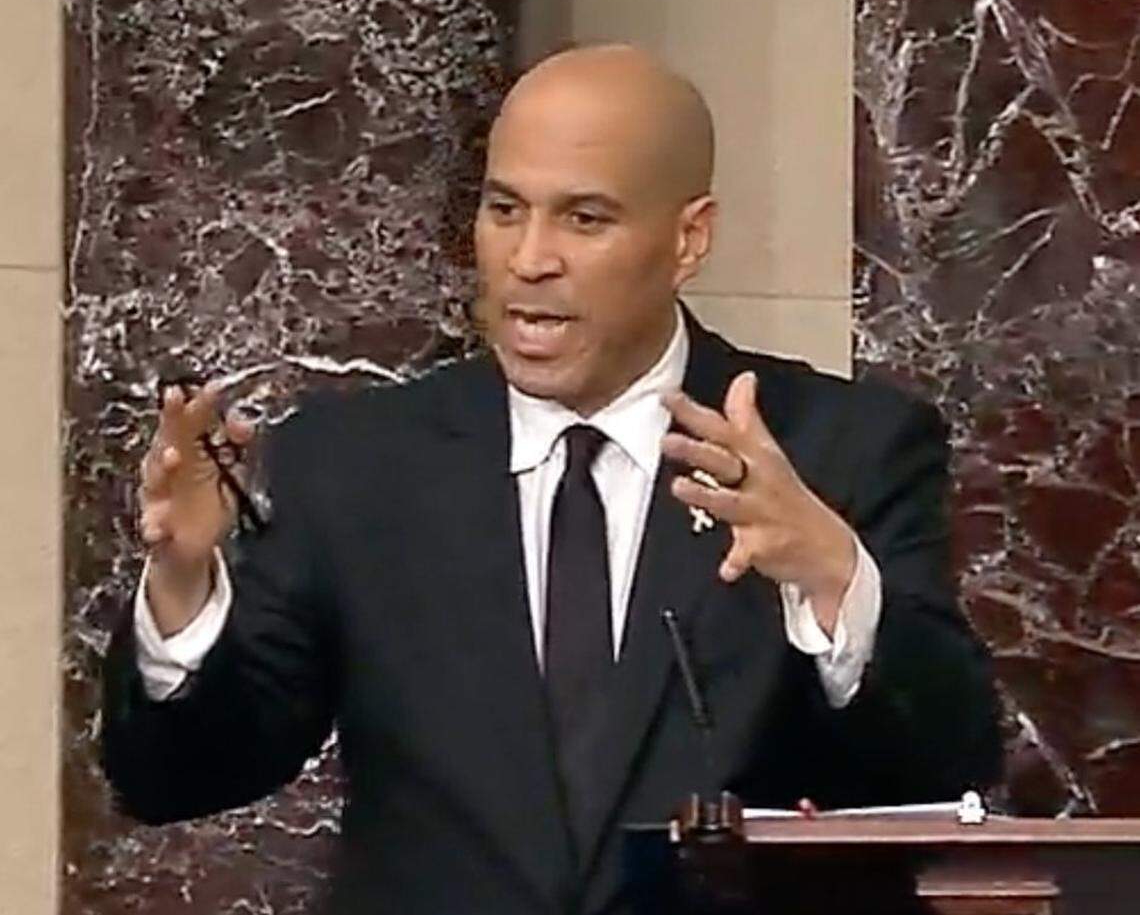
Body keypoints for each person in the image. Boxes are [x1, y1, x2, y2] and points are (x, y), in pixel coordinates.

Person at [102, 45, 1002, 915]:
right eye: (504, 209)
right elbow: (181, 777)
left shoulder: (836, 449)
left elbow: (949, 762)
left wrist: (831, 575)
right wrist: (183, 585)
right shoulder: (354, 462)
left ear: (689, 239)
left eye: (584, 218)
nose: (529, 258)